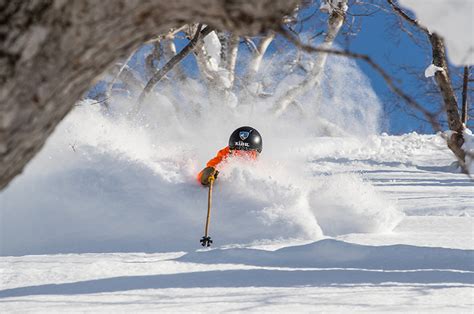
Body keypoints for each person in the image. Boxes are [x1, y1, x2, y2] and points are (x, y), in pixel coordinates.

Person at [198, 126, 263, 186]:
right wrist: (205, 176)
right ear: (231, 150)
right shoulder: (225, 156)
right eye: (238, 151)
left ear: (256, 153)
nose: (242, 155)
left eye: (248, 152)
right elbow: (204, 173)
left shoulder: (260, 166)